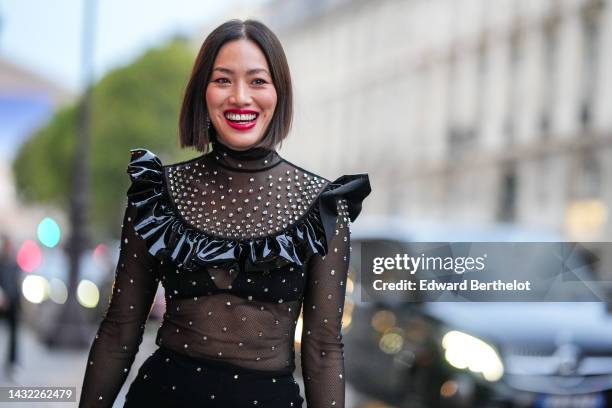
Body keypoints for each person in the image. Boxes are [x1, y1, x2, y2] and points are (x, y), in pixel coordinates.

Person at [79, 19, 370, 408]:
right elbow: (120, 329)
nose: (240, 97)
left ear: (279, 93)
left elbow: (323, 348)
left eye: (257, 81)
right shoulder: (157, 193)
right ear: (203, 92)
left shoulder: (323, 206)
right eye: (222, 80)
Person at [0, 233, 21, 376]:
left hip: (12, 301)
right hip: (1, 301)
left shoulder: (15, 264)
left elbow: (17, 283)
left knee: (14, 334)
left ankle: (12, 363)